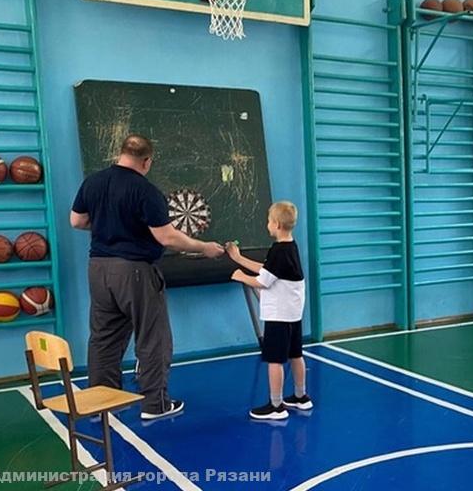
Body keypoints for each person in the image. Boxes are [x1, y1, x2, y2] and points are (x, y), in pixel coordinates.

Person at [70, 134, 225, 421]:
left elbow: (77, 221)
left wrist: (108, 224)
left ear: (120, 153)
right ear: (147, 161)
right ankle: (156, 404)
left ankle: (102, 403)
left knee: (103, 338)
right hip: (135, 272)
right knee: (153, 338)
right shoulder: (145, 190)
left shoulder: (93, 182)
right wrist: (204, 248)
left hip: (98, 269)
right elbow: (167, 237)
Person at [227, 201, 310, 421]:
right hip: (293, 315)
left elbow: (262, 281)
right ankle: (301, 397)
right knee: (296, 355)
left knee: (275, 360)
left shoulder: (278, 251)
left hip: (278, 316)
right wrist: (239, 259)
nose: (267, 224)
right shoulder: (290, 247)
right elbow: (269, 270)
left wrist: (241, 276)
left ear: (277, 225)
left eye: (269, 221)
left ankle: (276, 406)